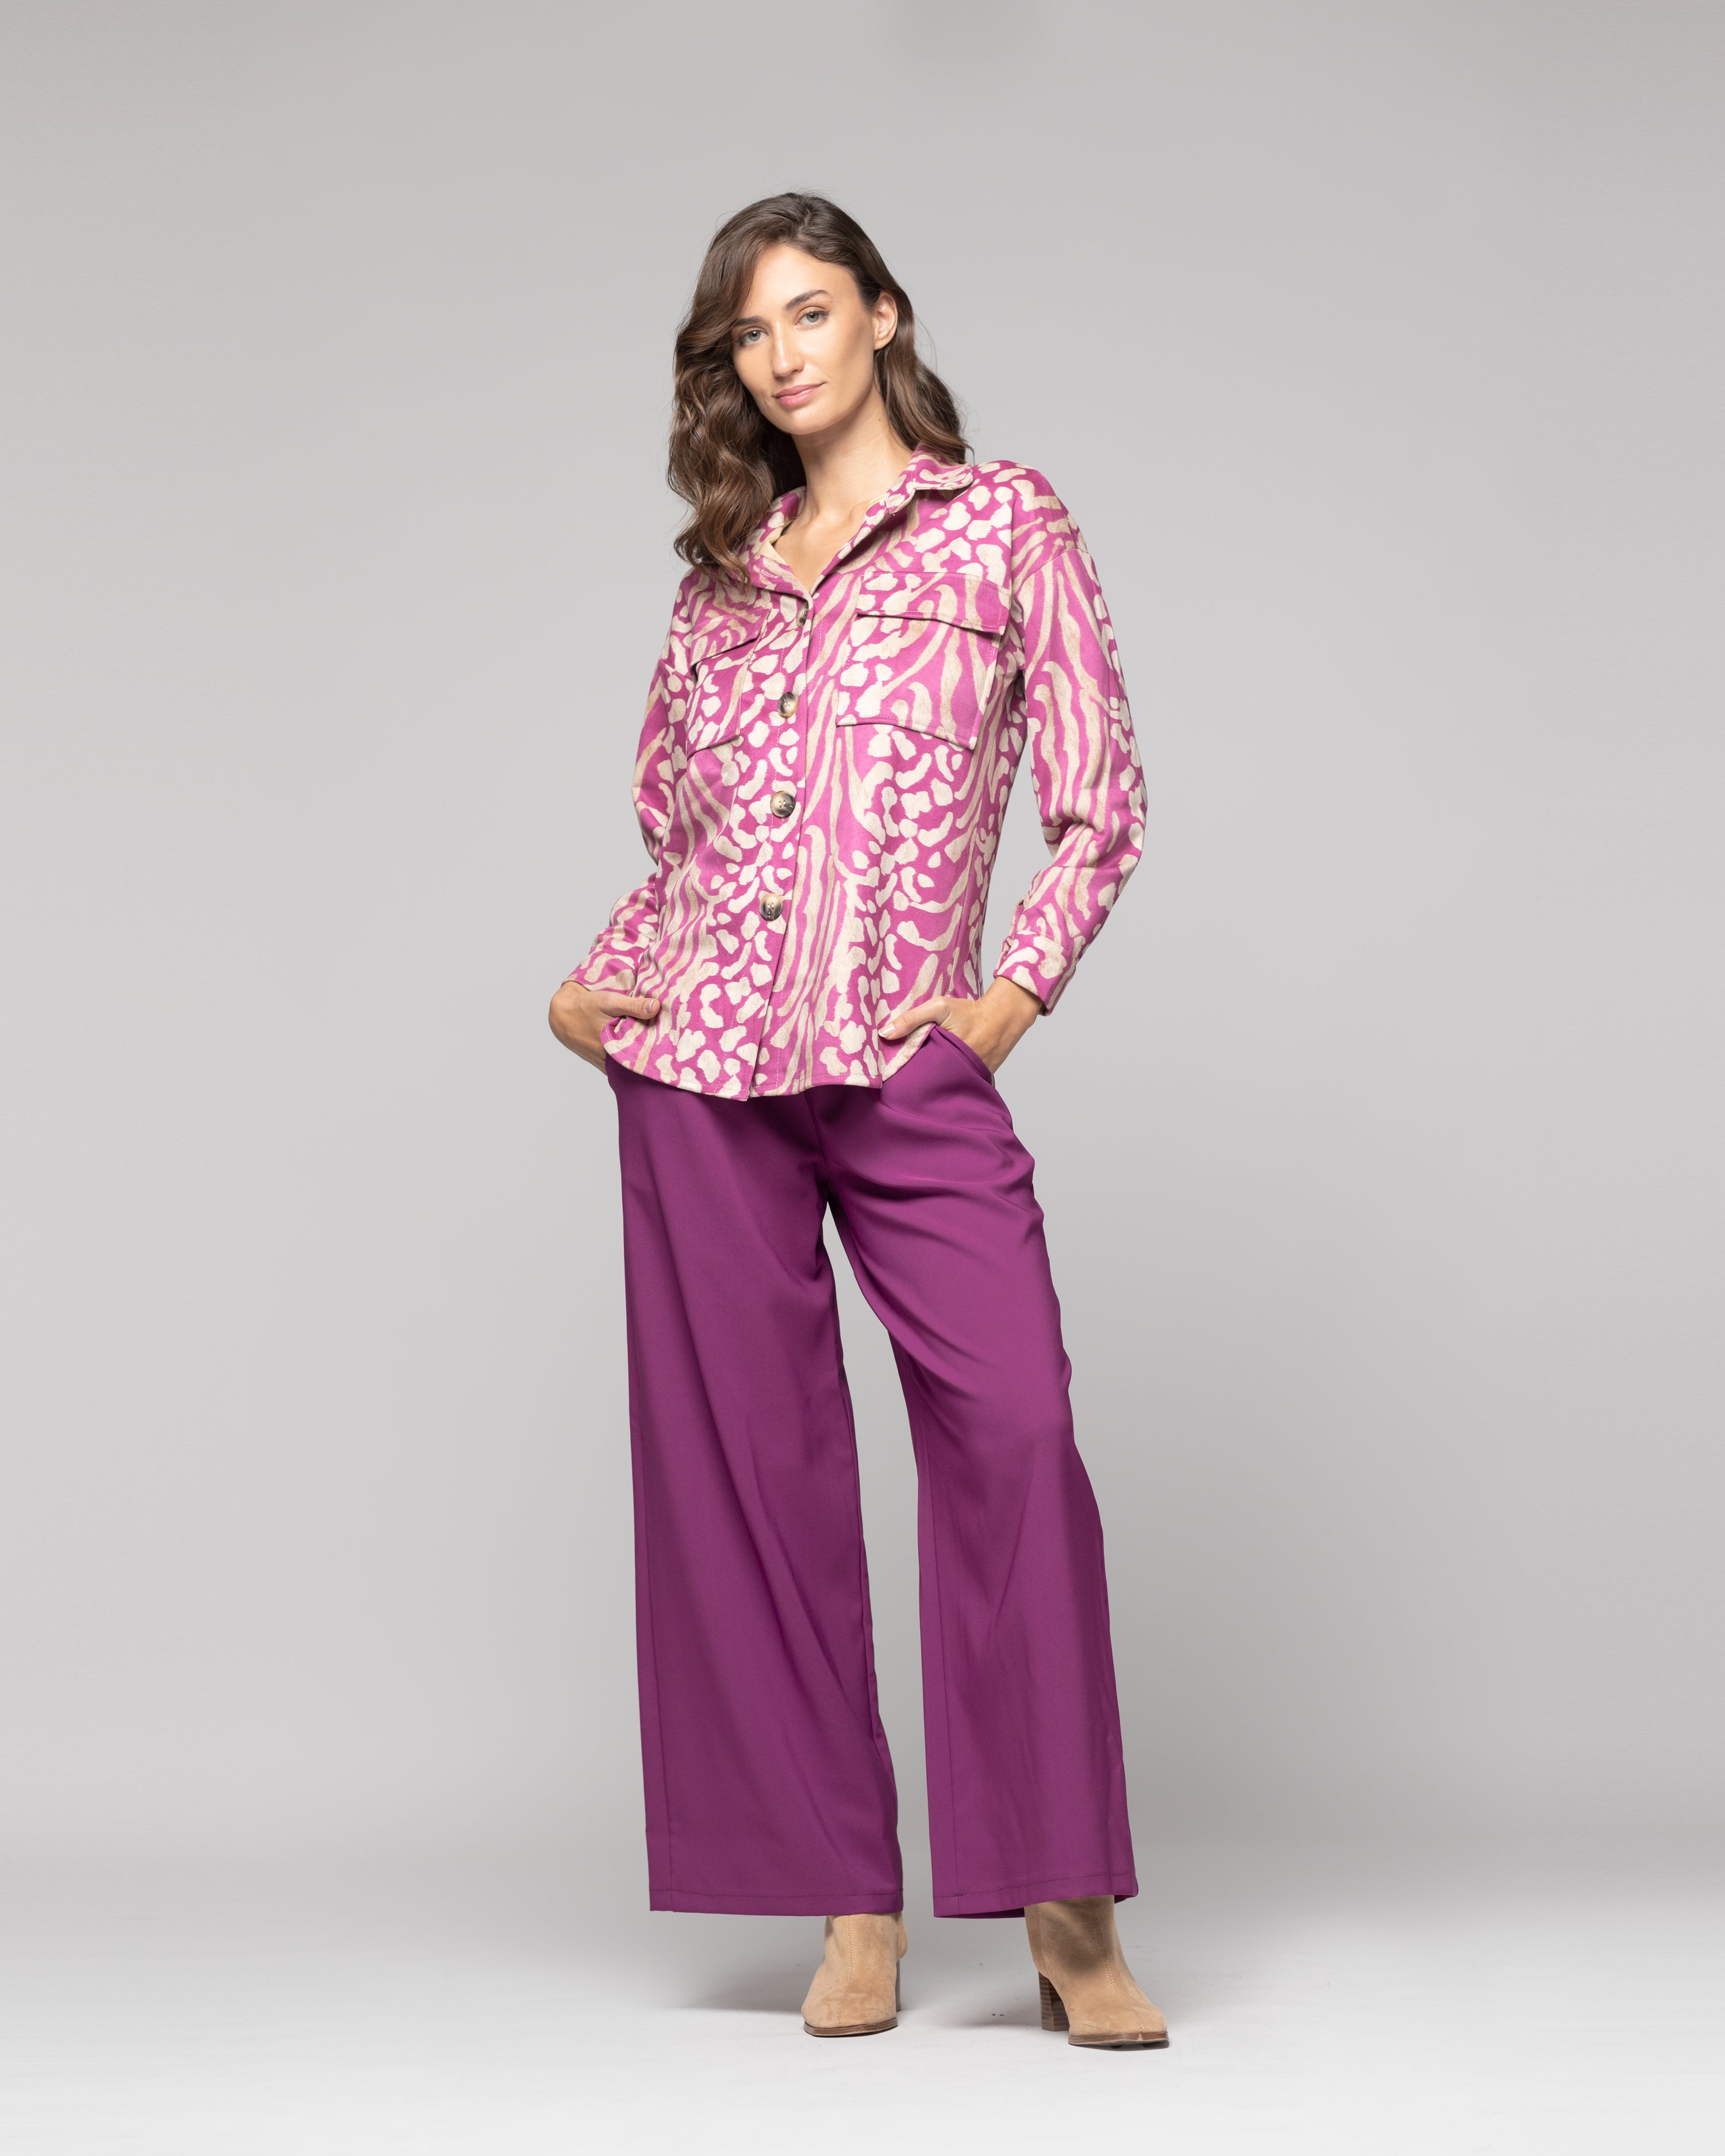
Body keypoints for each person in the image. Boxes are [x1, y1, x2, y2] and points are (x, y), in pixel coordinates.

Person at [549, 193, 1166, 2050]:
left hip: (909, 1067)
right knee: (760, 1483)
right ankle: (850, 1899)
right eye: (750, 333)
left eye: (810, 312)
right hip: (705, 1077)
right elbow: (681, 844)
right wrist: (599, 985)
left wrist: (1008, 997)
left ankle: (1066, 1905)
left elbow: (1102, 799)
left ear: (885, 316)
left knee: (1017, 1429)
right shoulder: (721, 581)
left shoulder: (1004, 525)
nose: (783, 355)